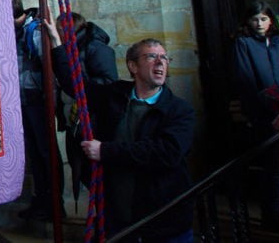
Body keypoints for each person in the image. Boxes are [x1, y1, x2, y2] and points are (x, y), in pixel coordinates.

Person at [44, 12, 195, 241]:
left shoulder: (179, 110)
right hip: (120, 216)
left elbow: (166, 152)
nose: (160, 63)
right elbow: (79, 88)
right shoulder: (115, 95)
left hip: (163, 222)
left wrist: (105, 151)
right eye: (151, 57)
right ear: (133, 66)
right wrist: (57, 44)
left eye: (164, 58)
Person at [232, 0, 279, 228]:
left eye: (264, 19)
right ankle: (274, 214)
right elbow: (244, 79)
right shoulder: (243, 43)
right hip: (263, 112)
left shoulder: (277, 43)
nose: (259, 23)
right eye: (255, 19)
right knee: (272, 164)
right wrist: (264, 107)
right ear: (248, 21)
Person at [54, 12, 118, 206]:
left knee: (94, 173)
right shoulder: (72, 49)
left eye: (58, 31)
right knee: (80, 168)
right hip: (75, 121)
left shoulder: (96, 49)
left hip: (93, 121)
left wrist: (78, 89)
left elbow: (107, 85)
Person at [13, 0, 62, 221]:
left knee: (46, 151)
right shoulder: (15, 32)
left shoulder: (34, 31)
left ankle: (54, 202)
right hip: (23, 100)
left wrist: (51, 102)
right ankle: (41, 199)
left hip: (37, 100)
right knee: (34, 153)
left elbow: (51, 68)